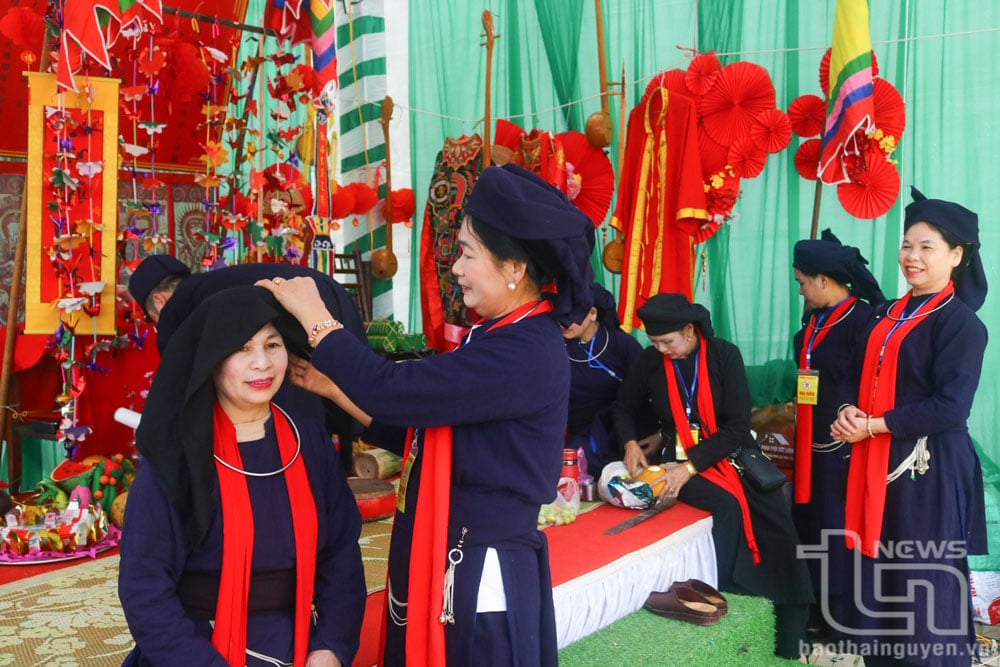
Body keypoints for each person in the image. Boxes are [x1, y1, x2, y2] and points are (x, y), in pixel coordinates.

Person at [258, 164, 595, 666]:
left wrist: (320, 322)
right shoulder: (501, 334)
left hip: (481, 570)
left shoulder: (522, 350)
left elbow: (396, 390)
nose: (455, 268)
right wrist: (332, 386)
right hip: (453, 550)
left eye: (466, 253)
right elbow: (422, 429)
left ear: (514, 268)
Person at [118, 286, 366, 667]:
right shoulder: (177, 454)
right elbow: (144, 587)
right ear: (212, 359)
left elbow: (341, 552)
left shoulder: (308, 440)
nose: (262, 364)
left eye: (272, 345)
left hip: (298, 644)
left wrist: (330, 646)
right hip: (196, 647)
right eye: (242, 348)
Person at [830, 187, 988, 666]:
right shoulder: (885, 314)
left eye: (926, 248)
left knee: (924, 580)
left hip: (929, 472)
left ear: (956, 256)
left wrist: (874, 425)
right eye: (906, 245)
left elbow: (950, 407)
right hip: (878, 463)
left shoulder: (960, 324)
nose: (911, 257)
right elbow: (856, 376)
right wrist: (847, 411)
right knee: (882, 580)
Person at [612, 293, 812, 659]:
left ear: (690, 331)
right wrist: (629, 442)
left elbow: (736, 427)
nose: (661, 349)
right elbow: (623, 406)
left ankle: (789, 637)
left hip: (727, 456)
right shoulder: (651, 360)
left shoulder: (723, 355)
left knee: (776, 524)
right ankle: (728, 597)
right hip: (678, 461)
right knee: (727, 506)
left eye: (667, 341)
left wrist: (690, 466)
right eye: (654, 342)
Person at [127, 256, 367, 473]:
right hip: (329, 295)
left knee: (296, 404)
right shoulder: (211, 285)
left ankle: (310, 472)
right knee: (330, 386)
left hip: (298, 313)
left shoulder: (175, 310)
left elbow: (178, 382)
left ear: (159, 302)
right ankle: (343, 466)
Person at [790, 229, 885, 636]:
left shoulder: (863, 320)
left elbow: (873, 383)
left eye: (802, 282)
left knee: (838, 531)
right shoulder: (814, 321)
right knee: (810, 526)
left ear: (823, 281)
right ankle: (815, 609)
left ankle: (845, 621)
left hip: (844, 445)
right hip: (811, 444)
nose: (801, 290)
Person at [561, 283, 656, 476]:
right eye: (560, 314)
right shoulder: (555, 348)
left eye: (571, 315)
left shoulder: (622, 344)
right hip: (584, 431)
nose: (564, 322)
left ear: (593, 314)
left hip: (628, 426)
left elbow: (649, 389)